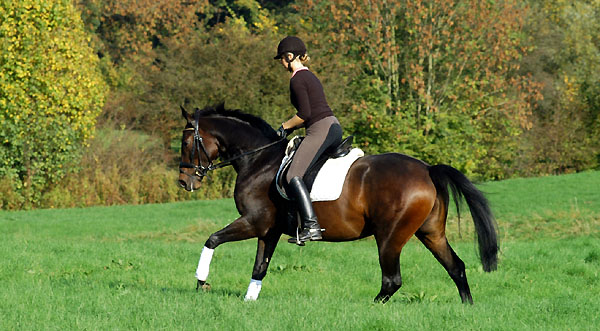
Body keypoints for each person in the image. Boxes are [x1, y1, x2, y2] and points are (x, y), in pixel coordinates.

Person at [274, 36, 343, 245]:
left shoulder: (297, 79)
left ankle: (311, 226)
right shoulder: (309, 76)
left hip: (320, 128)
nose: (282, 64)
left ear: (289, 56)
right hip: (331, 126)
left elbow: (304, 114)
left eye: (282, 59)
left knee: (293, 174)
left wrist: (284, 126)